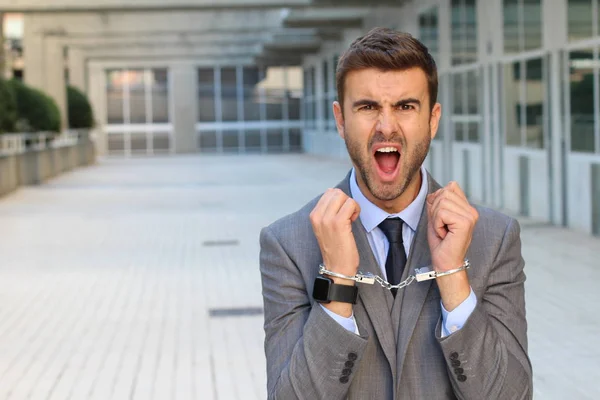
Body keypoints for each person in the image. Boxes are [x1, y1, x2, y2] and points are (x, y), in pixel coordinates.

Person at [259, 27, 532, 400]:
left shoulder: (494, 238)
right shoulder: (288, 243)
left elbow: (511, 396)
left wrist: (453, 278)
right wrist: (337, 279)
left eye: (405, 106)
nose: (386, 127)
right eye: (368, 107)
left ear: (433, 119)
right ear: (340, 120)